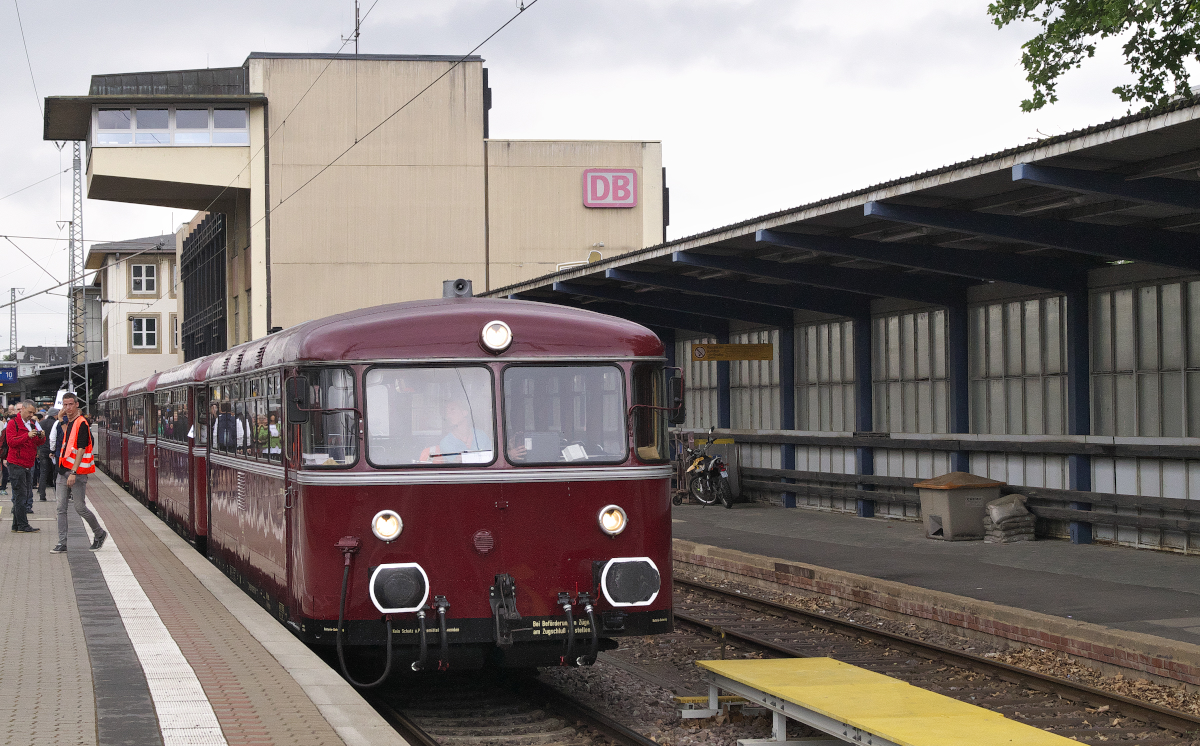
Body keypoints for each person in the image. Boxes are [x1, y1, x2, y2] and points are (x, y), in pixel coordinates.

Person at [50, 392, 106, 554]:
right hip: (63, 470)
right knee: (60, 507)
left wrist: (73, 472)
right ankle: (62, 542)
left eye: (70, 404)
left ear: (76, 404)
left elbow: (81, 448)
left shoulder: (82, 423)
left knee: (80, 507)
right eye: (64, 405)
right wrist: (61, 421)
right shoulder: (71, 422)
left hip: (77, 472)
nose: (67, 408)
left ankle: (99, 533)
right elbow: (68, 440)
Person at [7, 401, 45, 534]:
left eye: (33, 413)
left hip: (27, 463)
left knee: (22, 494)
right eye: (29, 412)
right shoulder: (13, 423)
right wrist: (26, 435)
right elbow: (11, 442)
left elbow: (36, 442)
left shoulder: (32, 424)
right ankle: (22, 525)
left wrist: (41, 437)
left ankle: (16, 525)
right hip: (17, 463)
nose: (32, 415)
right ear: (22, 409)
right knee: (21, 495)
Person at [421, 398, 492, 464]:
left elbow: (490, 457)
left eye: (453, 410)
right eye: (447, 411)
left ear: (465, 412)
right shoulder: (446, 442)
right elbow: (458, 464)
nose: (448, 415)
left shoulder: (481, 435)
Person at [39, 409, 62, 501]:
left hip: (43, 450)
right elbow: (54, 438)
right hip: (53, 451)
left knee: (43, 472)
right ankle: (58, 495)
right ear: (55, 415)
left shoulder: (41, 423)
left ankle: (42, 495)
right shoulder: (56, 423)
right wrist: (52, 450)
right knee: (56, 472)